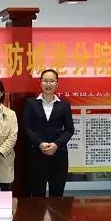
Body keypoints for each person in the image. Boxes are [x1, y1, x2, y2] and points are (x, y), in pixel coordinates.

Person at [22, 69, 75, 197]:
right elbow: (26, 127)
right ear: (40, 82)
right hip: (37, 154)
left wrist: (56, 145)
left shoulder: (64, 105)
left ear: (57, 83)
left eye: (52, 81)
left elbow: (69, 129)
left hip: (58, 155)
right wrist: (40, 144)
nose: (48, 84)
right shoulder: (31, 103)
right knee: (37, 194)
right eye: (45, 81)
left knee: (57, 194)